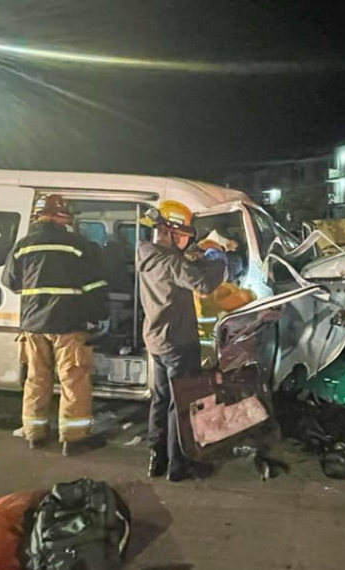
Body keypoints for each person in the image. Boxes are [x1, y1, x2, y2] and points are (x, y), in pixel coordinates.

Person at [2, 195, 109, 457]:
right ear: (59, 215)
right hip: (68, 324)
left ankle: (35, 435)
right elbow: (94, 285)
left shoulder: (22, 246)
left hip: (33, 325)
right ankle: (73, 439)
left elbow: (10, 282)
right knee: (74, 380)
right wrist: (100, 315)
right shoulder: (75, 245)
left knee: (36, 380)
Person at [137, 200, 226, 482]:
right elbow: (203, 285)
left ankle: (157, 458)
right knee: (182, 404)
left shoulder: (147, 254)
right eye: (186, 234)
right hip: (178, 341)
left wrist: (193, 258)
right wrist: (217, 257)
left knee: (161, 400)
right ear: (173, 233)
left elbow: (177, 272)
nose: (190, 240)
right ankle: (180, 466)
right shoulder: (171, 261)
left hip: (156, 339)